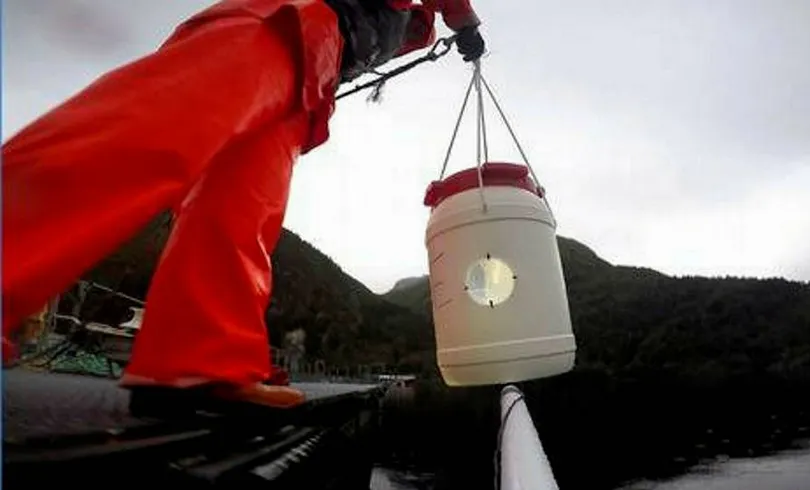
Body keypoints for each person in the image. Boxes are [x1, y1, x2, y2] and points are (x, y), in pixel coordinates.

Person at [1, 0, 486, 411]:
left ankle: (199, 361)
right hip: (276, 25)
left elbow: (411, 27)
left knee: (242, 212)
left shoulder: (400, 25)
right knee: (148, 134)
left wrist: (438, 29)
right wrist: (466, 24)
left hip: (309, 73)